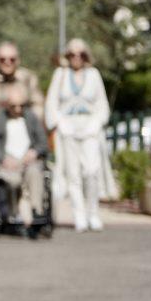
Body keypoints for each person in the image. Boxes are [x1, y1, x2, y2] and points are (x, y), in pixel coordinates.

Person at [46, 38, 117, 232]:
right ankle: (79, 215)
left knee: (91, 171)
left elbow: (102, 104)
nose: (76, 58)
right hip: (68, 128)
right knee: (73, 174)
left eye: (80, 54)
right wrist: (59, 124)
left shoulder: (93, 75)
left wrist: (96, 123)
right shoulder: (60, 74)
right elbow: (52, 102)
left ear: (86, 56)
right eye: (72, 54)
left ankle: (93, 212)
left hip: (90, 128)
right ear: (67, 56)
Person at [0, 85, 49, 235]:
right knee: (12, 180)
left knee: (35, 173)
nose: (18, 109)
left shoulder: (31, 118)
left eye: (21, 105)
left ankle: (36, 211)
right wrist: (3, 158)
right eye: (14, 106)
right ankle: (12, 213)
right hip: (7, 162)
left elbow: (43, 143)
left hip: (28, 160)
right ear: (7, 104)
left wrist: (34, 152)